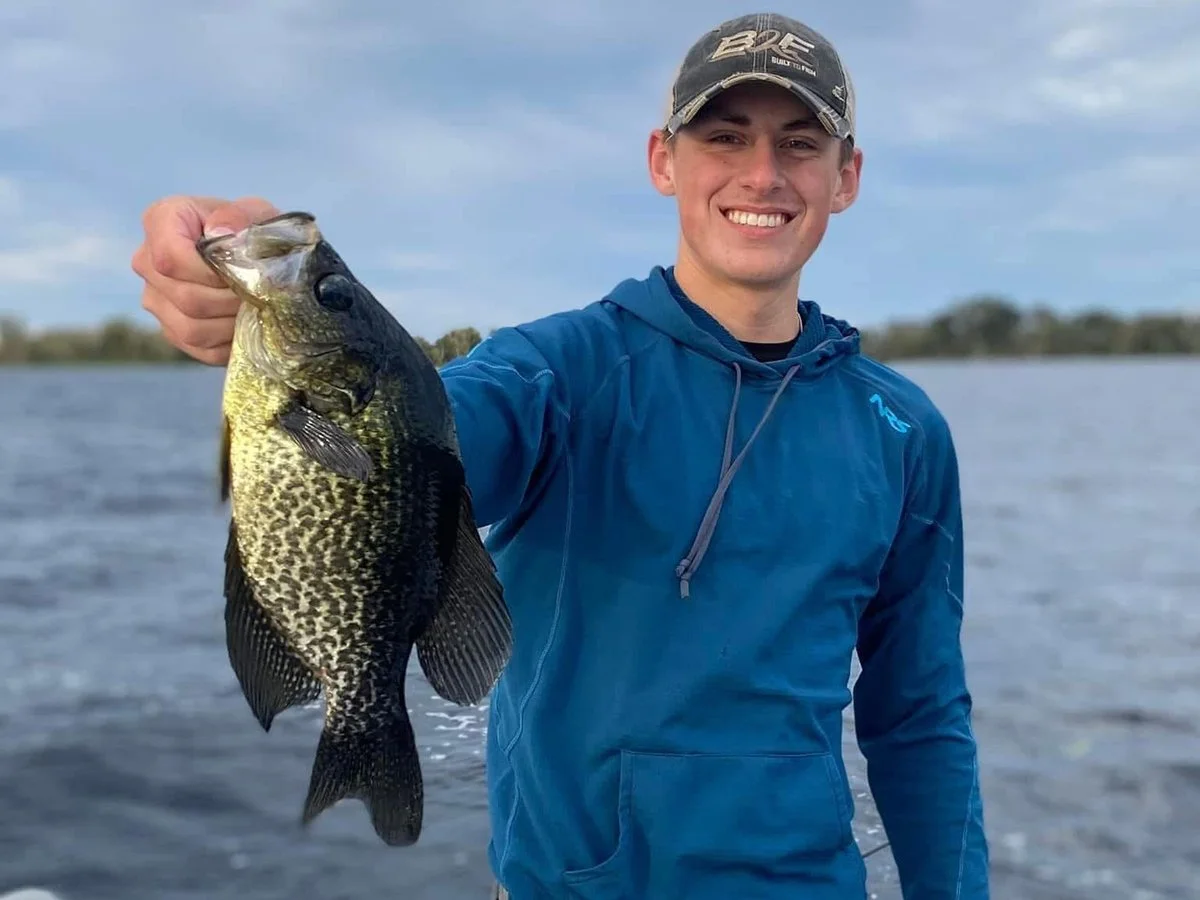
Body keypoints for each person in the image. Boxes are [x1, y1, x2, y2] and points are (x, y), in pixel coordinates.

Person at [131, 12, 989, 899]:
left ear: (845, 177)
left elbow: (920, 714)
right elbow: (423, 442)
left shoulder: (901, 430)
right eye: (725, 137)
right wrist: (241, 247)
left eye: (800, 144)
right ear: (664, 161)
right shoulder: (554, 372)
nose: (762, 174)